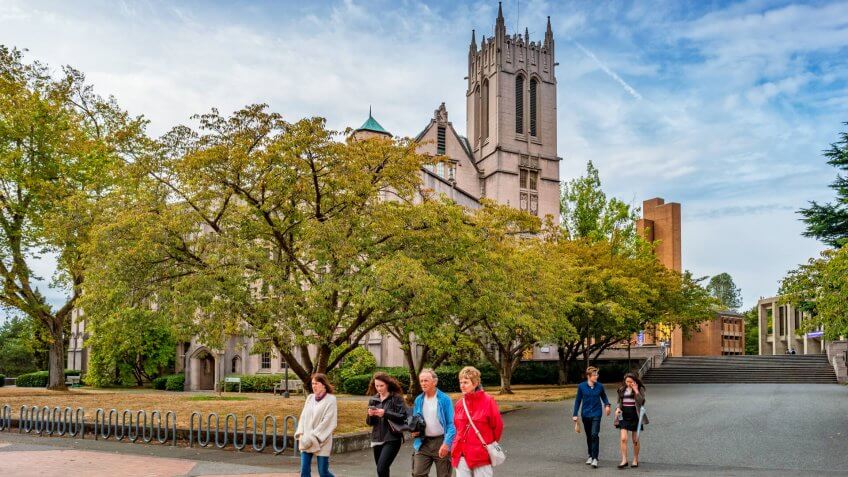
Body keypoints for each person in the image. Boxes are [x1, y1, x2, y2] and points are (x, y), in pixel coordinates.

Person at [452, 366, 503, 477]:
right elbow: (457, 428)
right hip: (461, 454)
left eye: (466, 382)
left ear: (475, 383)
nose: (462, 385)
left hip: (481, 456)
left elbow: (497, 427)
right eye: (461, 382)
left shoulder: (488, 401)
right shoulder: (460, 404)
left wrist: (486, 444)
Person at [411, 368, 456, 477]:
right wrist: (414, 431)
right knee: (418, 474)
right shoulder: (418, 400)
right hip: (423, 442)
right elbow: (415, 421)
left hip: (441, 441)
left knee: (444, 475)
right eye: (421, 381)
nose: (423, 383)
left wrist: (447, 443)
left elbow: (451, 424)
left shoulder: (444, 399)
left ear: (434, 382)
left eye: (426, 380)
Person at [366, 372, 409, 477]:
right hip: (376, 439)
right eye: (377, 386)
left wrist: (385, 413)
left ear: (388, 385)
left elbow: (403, 417)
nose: (379, 388)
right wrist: (370, 415)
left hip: (392, 438)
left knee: (382, 468)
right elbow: (369, 423)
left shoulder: (396, 398)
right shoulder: (373, 400)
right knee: (381, 471)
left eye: (381, 385)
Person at [295, 373, 338, 477]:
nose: (314, 386)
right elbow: (303, 416)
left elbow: (328, 421)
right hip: (306, 440)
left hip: (322, 440)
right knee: (304, 471)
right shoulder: (310, 398)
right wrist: (301, 434)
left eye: (316, 383)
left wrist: (314, 436)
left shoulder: (331, 399)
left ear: (323, 384)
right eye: (312, 383)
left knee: (323, 472)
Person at [572, 366, 611, 469]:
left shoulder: (600, 386)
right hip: (585, 414)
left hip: (597, 413)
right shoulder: (581, 386)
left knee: (594, 434)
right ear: (588, 376)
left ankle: (595, 458)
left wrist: (607, 405)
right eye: (594, 375)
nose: (596, 377)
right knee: (589, 436)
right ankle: (590, 455)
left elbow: (604, 397)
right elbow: (578, 401)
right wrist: (575, 414)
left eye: (597, 374)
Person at [615, 373, 648, 469]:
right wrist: (617, 409)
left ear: (634, 381)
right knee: (623, 438)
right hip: (624, 415)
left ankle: (635, 459)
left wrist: (636, 390)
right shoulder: (622, 389)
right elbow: (619, 402)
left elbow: (642, 402)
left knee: (635, 440)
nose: (628, 383)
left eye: (630, 381)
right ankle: (624, 460)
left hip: (635, 415)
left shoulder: (640, 389)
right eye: (627, 381)